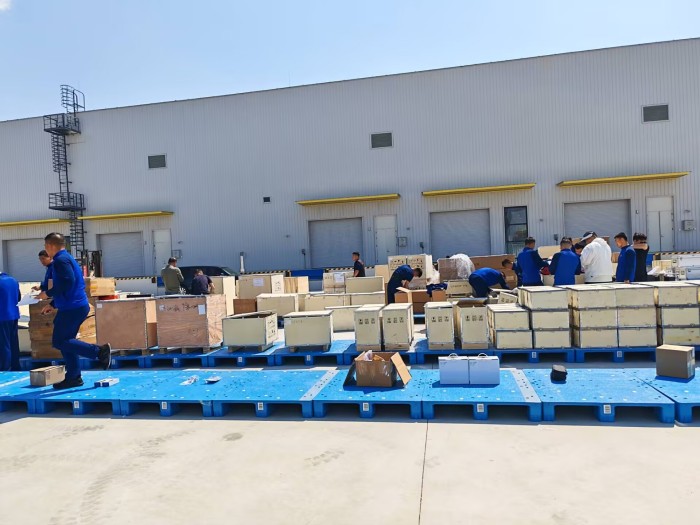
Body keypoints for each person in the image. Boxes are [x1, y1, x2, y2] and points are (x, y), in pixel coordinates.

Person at [35, 233, 111, 389]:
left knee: (60, 341)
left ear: (50, 246)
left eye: (45, 246)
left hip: (72, 308)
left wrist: (47, 294)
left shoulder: (60, 261)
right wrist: (53, 304)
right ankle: (73, 377)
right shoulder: (66, 258)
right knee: (66, 342)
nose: (45, 249)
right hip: (72, 306)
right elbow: (70, 285)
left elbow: (68, 282)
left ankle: (99, 352)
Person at [0, 271, 21, 371]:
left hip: (2, 316)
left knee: (4, 345)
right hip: (14, 315)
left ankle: (5, 369)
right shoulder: (13, 280)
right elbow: (18, 297)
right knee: (13, 343)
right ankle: (16, 366)